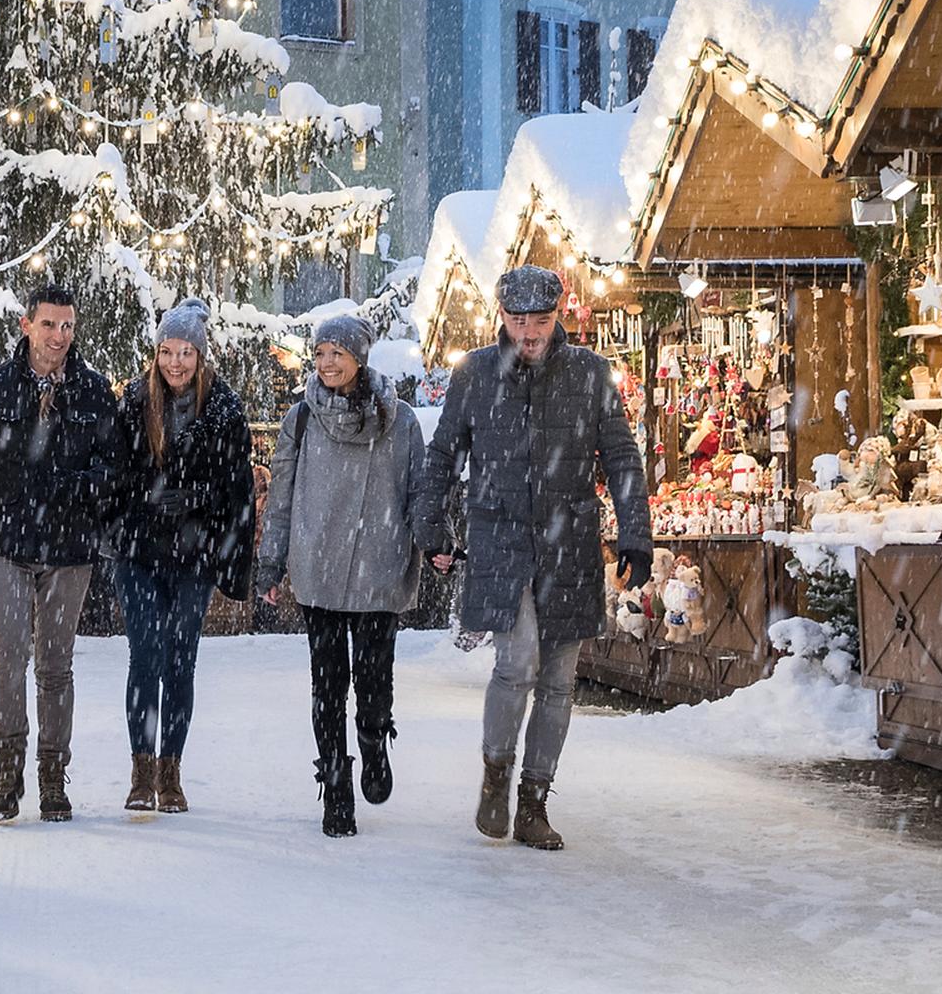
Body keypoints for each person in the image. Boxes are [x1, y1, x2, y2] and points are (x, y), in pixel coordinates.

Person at [420, 263, 649, 852]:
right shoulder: (474, 375)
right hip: (500, 542)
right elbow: (442, 455)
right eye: (518, 321)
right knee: (518, 663)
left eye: (540, 321)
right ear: (502, 317)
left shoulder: (590, 375)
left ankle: (534, 800)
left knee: (558, 681)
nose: (529, 332)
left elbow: (622, 458)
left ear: (559, 318)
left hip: (569, 544)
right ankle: (496, 774)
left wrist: (635, 536)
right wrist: (432, 529)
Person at [0, 283, 120, 824]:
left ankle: (52, 773)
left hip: (68, 548)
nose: (59, 336)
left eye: (67, 325)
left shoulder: (91, 392)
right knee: (8, 655)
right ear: (26, 326)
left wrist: (80, 487)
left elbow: (115, 471)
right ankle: (9, 762)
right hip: (5, 545)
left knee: (56, 667)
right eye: (49, 325)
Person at [258, 310, 435, 838]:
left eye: (337, 353)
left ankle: (374, 738)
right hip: (320, 566)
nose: (327, 363)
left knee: (375, 679)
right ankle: (335, 782)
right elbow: (282, 498)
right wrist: (271, 561)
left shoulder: (398, 419)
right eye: (320, 354)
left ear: (359, 357)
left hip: (379, 566)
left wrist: (433, 541)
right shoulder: (302, 419)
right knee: (327, 683)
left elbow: (418, 491)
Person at [111, 301, 255, 817]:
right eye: (167, 351)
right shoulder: (133, 401)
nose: (175, 363)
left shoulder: (222, 408)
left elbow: (237, 486)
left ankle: (171, 769)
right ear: (156, 352)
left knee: (181, 659)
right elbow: (114, 473)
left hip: (193, 554)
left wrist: (196, 500)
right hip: (140, 552)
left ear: (200, 354)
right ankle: (141, 768)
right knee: (146, 654)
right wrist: (144, 498)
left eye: (186, 352)